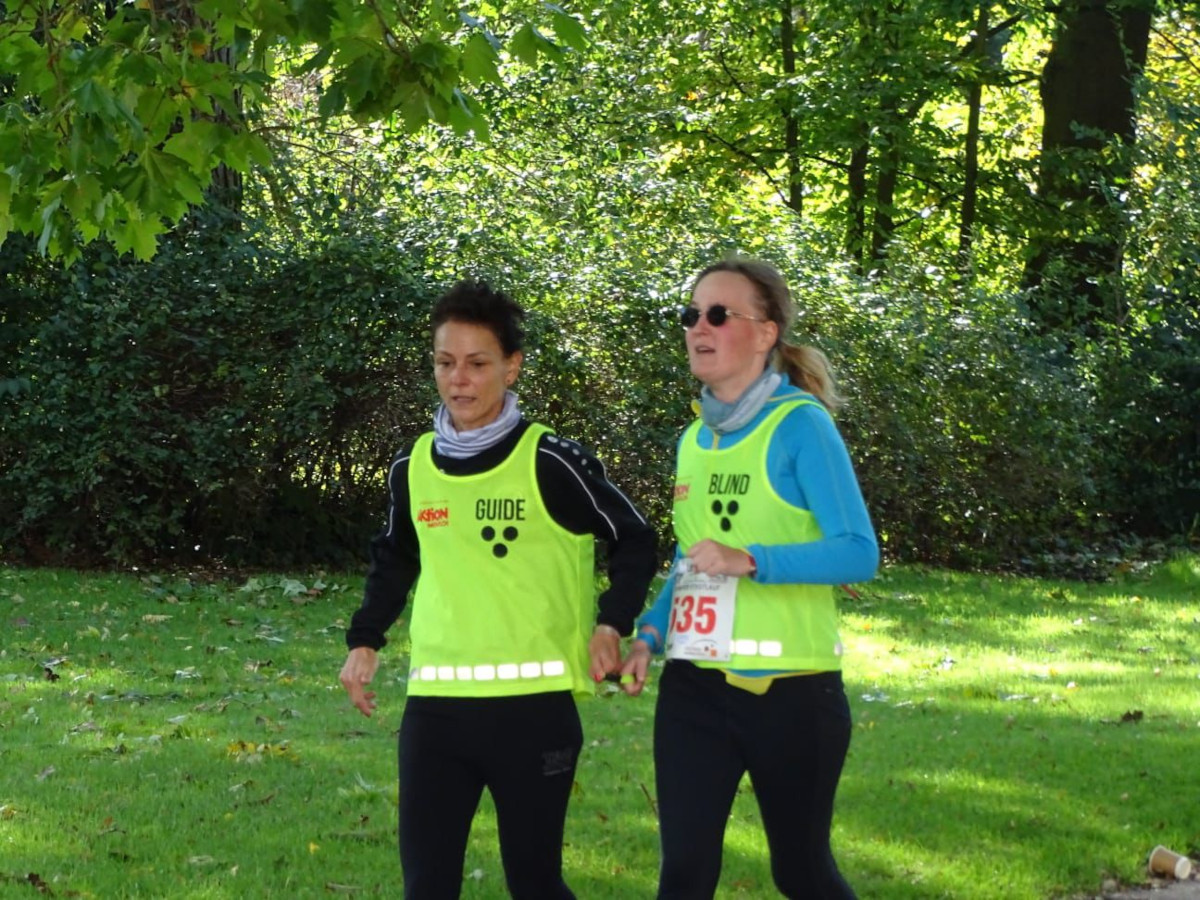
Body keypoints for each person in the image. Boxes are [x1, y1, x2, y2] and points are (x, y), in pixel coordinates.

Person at [339, 280, 657, 900]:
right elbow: (395, 557)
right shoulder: (414, 465)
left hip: (533, 713)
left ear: (511, 367)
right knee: (426, 888)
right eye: (444, 362)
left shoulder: (552, 461)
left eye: (478, 363)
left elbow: (635, 539)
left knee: (535, 884)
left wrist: (611, 622)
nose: (459, 379)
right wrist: (365, 640)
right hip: (435, 711)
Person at [620, 258, 878, 899]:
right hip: (693, 690)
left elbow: (857, 552)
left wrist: (754, 559)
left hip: (793, 696)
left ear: (765, 334)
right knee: (683, 875)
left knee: (802, 873)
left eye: (718, 315)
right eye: (691, 314)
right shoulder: (692, 440)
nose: (697, 327)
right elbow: (690, 561)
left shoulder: (801, 426)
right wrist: (650, 634)